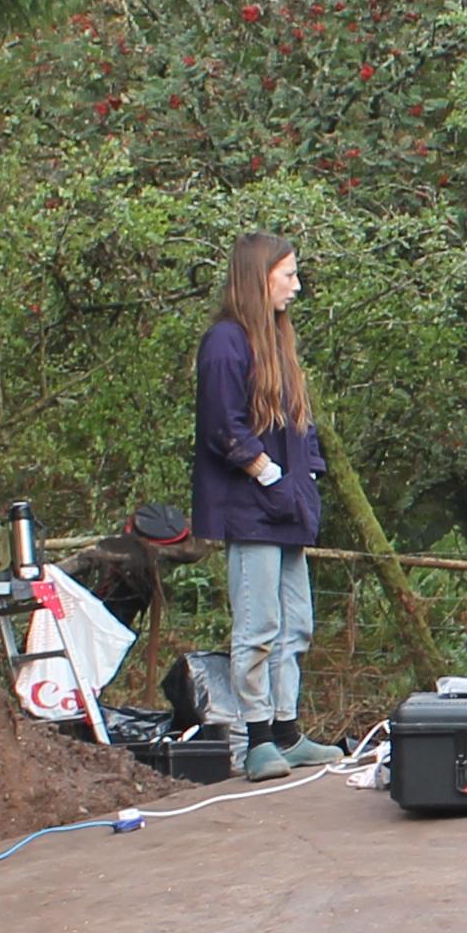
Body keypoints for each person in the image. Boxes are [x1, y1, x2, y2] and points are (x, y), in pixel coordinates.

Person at [195, 232, 343, 779]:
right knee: (257, 625)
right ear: (260, 277)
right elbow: (223, 427)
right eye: (289, 275)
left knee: (295, 623)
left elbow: (300, 424)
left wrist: (307, 474)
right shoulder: (225, 343)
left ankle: (286, 730)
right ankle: (254, 739)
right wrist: (270, 475)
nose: (297, 287)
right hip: (250, 508)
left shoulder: (279, 342)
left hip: (287, 509)